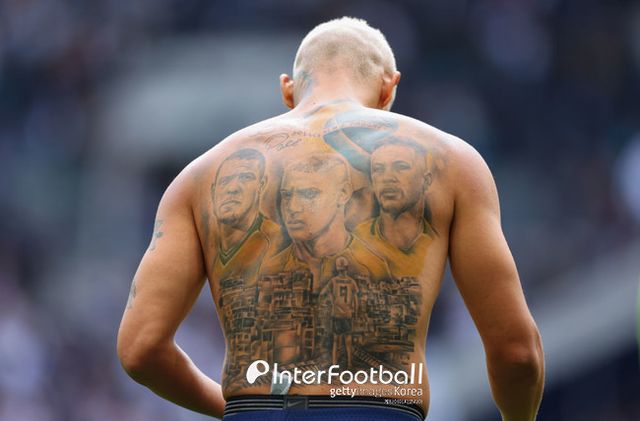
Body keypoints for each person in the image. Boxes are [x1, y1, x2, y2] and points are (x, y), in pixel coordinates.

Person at [117, 16, 544, 421]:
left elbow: (140, 349)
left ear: (288, 90)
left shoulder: (200, 176)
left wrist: (237, 410)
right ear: (388, 88)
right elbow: (516, 353)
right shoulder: (452, 162)